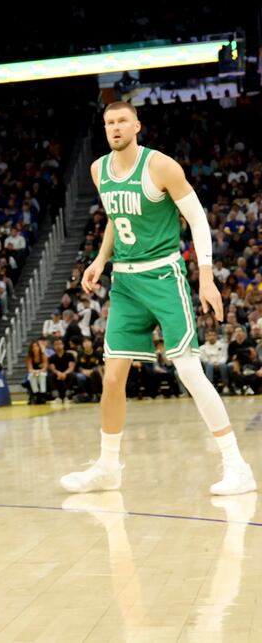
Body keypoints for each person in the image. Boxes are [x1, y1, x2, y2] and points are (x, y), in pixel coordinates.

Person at [61, 102, 255, 496]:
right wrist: (100, 259)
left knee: (188, 371)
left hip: (164, 277)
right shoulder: (99, 169)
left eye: (121, 121)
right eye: (109, 122)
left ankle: (237, 465)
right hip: (126, 284)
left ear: (137, 125)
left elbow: (198, 219)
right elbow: (117, 219)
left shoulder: (161, 166)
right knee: (112, 377)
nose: (115, 127)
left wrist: (205, 278)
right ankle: (108, 467)